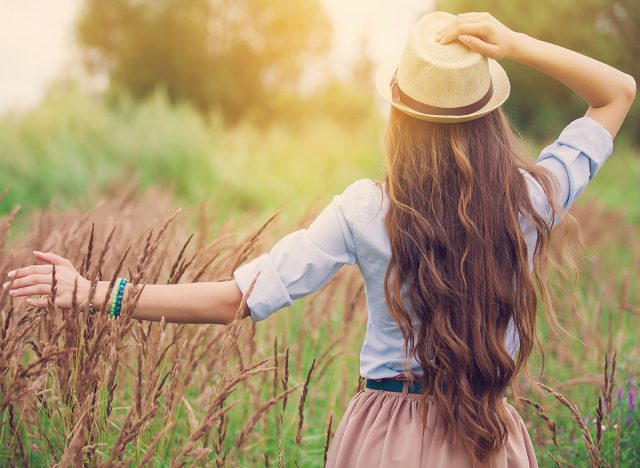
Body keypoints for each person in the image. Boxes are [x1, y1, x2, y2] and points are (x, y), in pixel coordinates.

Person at [3, 10, 635, 468]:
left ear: (399, 114)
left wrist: (93, 291)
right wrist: (517, 42)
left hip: (384, 442)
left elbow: (233, 300)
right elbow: (618, 93)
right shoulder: (529, 199)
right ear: (488, 117)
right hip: (488, 439)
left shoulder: (367, 209)